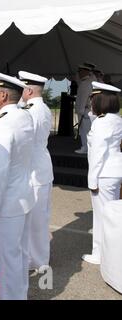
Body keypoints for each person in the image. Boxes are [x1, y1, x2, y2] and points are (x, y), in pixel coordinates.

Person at [0, 70, 35, 300]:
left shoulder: (2, 124)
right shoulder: (25, 116)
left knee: (5, 257)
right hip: (23, 195)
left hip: (6, 202)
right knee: (19, 254)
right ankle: (17, 294)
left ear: (3, 95)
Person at [82, 81, 122, 265]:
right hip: (113, 172)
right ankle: (110, 252)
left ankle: (100, 254)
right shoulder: (115, 119)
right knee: (110, 214)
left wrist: (92, 181)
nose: (91, 103)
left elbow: (97, 153)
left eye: (93, 99)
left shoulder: (102, 123)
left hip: (103, 174)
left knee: (101, 217)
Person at [18, 71, 54, 271]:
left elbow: (27, 142)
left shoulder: (33, 110)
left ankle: (39, 260)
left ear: (29, 90)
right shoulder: (39, 108)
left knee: (38, 219)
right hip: (39, 166)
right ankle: (36, 256)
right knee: (36, 217)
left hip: (35, 169)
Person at [74, 65, 94, 154]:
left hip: (84, 110)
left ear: (85, 72)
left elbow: (84, 98)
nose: (79, 74)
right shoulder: (87, 81)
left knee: (84, 130)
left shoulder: (85, 83)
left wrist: (81, 111)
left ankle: (85, 147)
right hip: (87, 110)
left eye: (80, 72)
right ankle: (87, 147)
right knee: (86, 130)